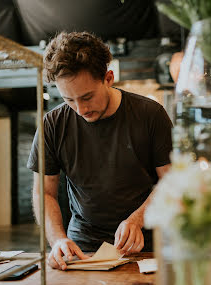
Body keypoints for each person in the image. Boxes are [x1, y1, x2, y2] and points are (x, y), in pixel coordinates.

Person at [27, 31, 172, 270]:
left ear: (108, 77)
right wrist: (58, 240)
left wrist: (138, 219)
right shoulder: (52, 124)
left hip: (146, 244)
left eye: (87, 97)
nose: (80, 109)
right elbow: (44, 193)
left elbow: (171, 180)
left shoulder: (150, 115)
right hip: (82, 249)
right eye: (69, 100)